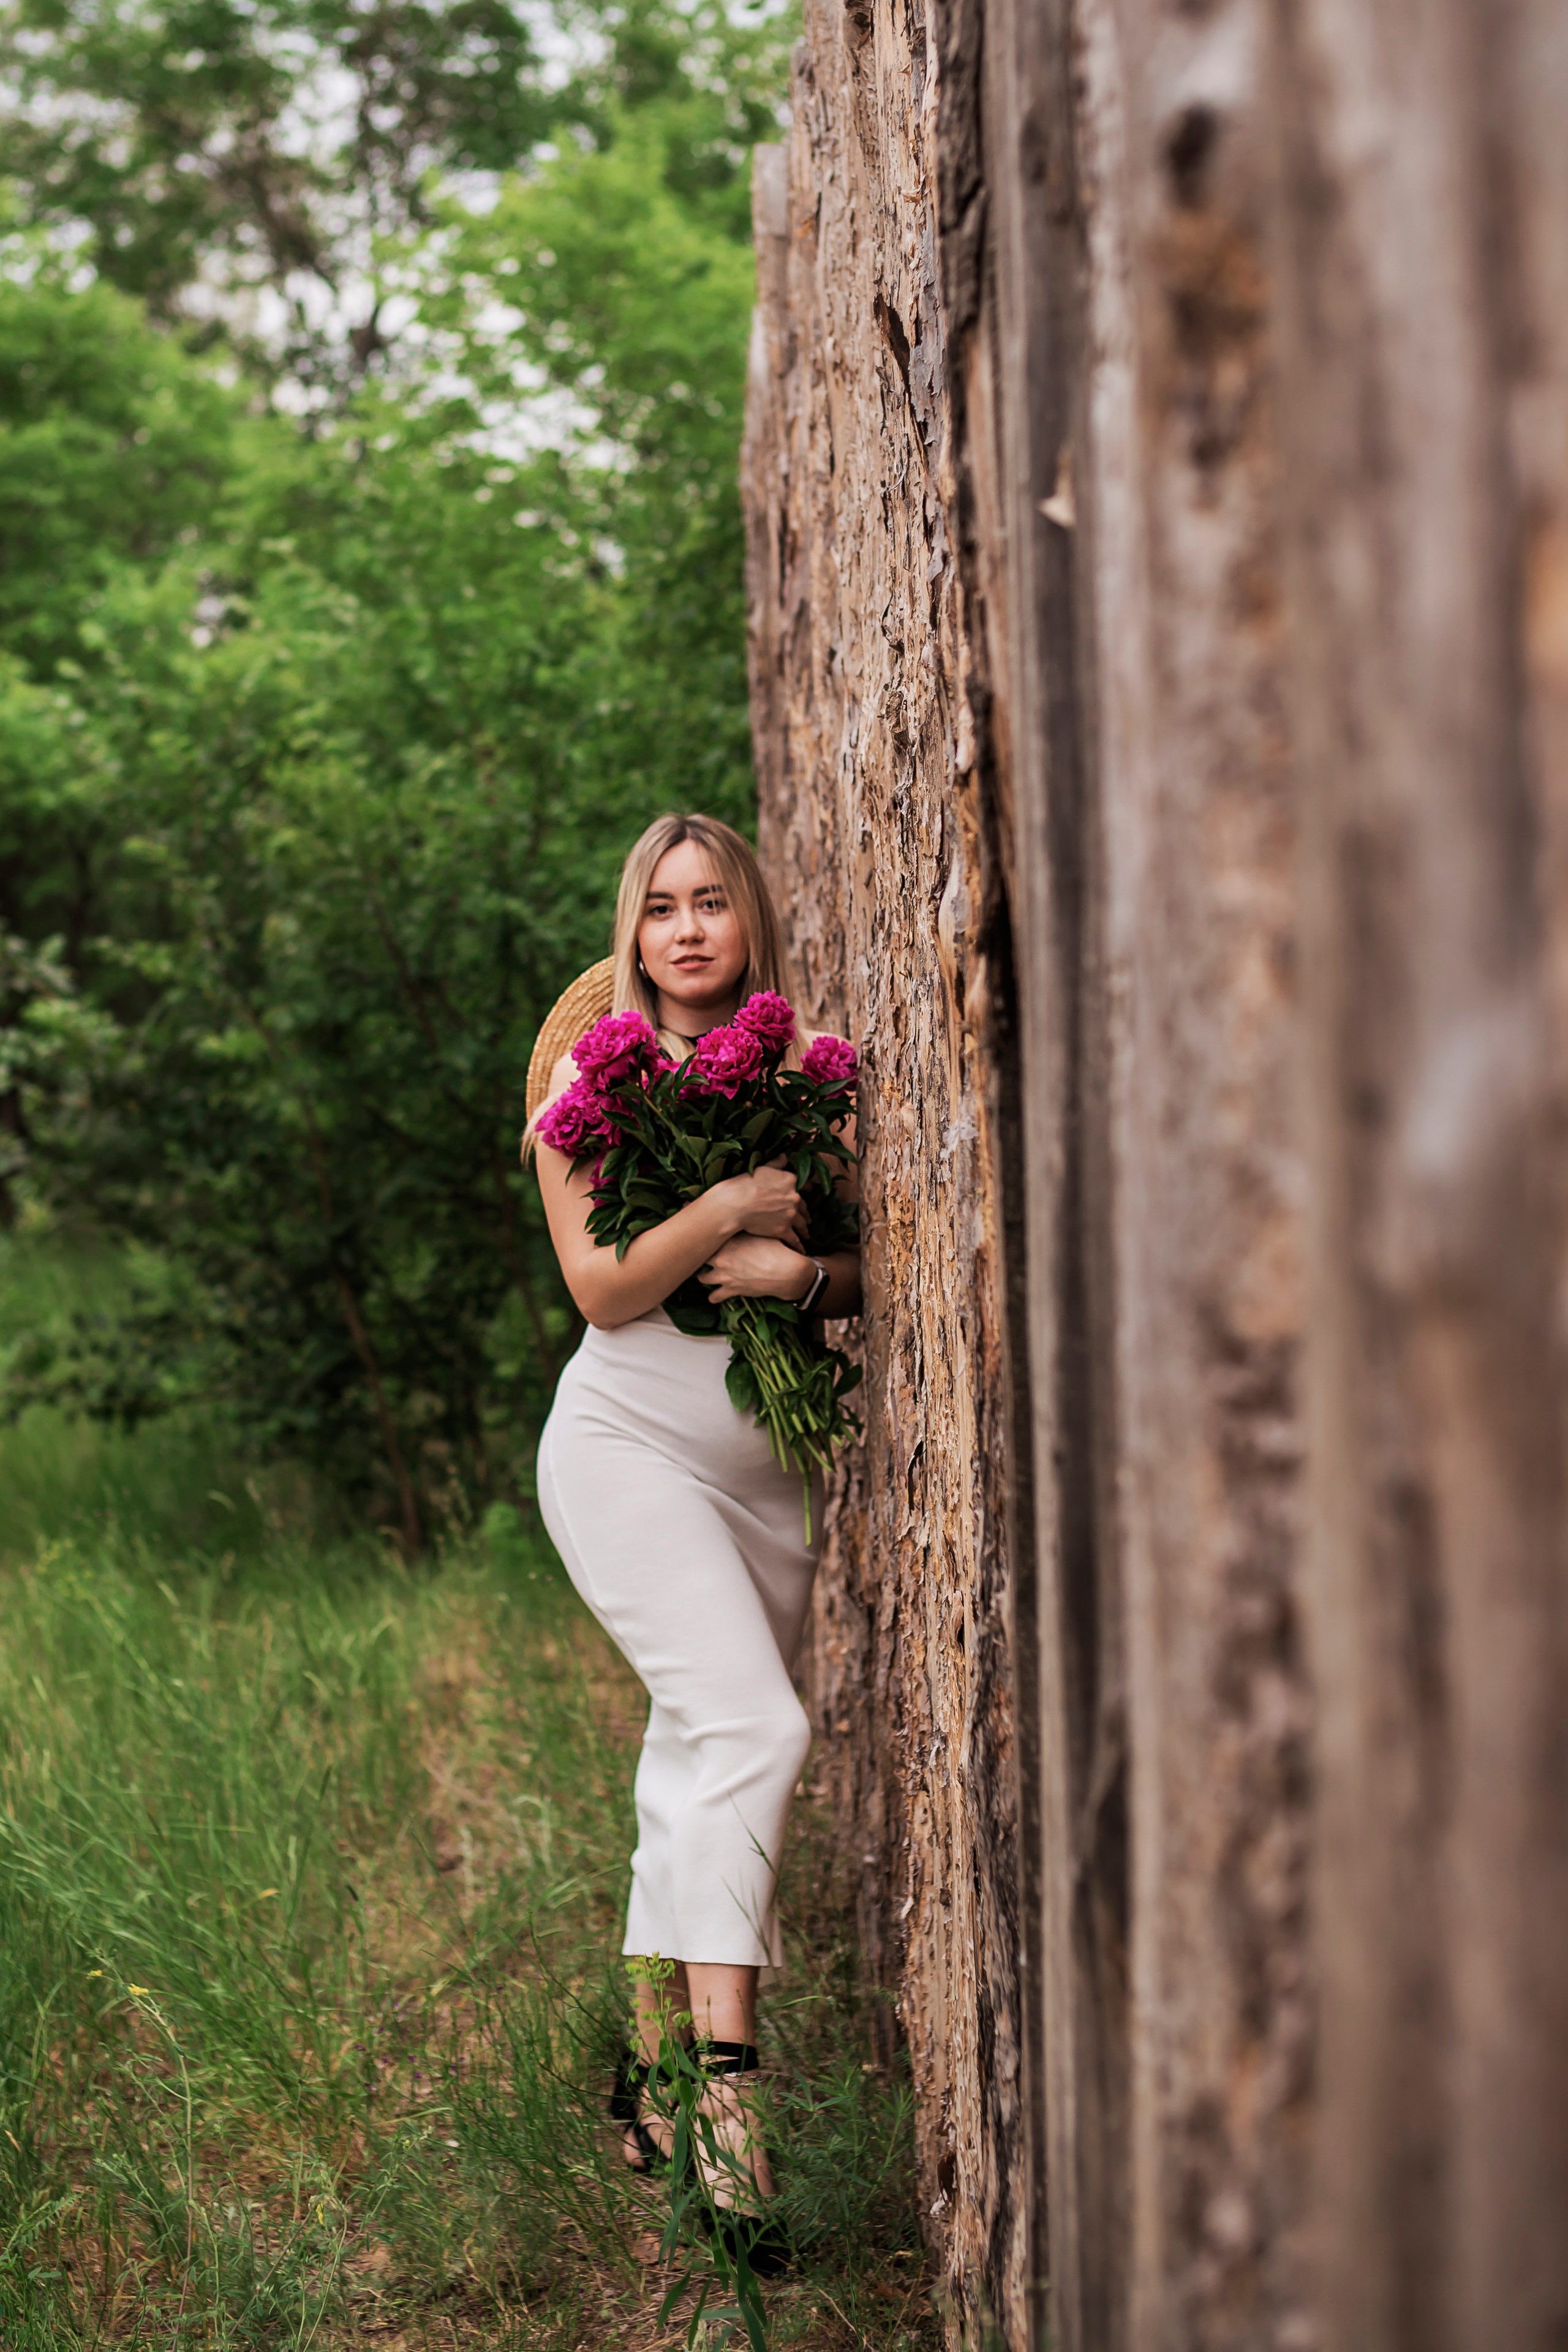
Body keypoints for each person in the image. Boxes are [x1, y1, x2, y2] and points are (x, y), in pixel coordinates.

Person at [527, 812, 861, 2245]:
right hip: (622, 1449)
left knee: (693, 1749)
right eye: (657, 905)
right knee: (758, 1732)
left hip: (766, 1474)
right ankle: (728, 2101)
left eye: (709, 901)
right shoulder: (579, 1096)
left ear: (746, 921)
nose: (683, 929)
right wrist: (723, 1195)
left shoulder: (808, 1089)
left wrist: (795, 1275)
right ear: (631, 930)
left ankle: (647, 2064)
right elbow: (603, 1289)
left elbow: (855, 1274)